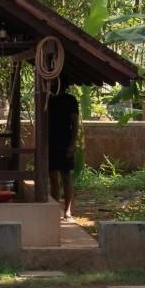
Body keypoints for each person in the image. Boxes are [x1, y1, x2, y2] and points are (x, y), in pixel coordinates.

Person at [46, 75, 80, 220]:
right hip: (50, 143)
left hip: (65, 142)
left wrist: (72, 145)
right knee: (52, 176)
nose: (53, 85)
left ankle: (67, 210)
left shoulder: (70, 100)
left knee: (65, 176)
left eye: (55, 82)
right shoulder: (48, 100)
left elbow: (75, 124)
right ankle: (55, 209)